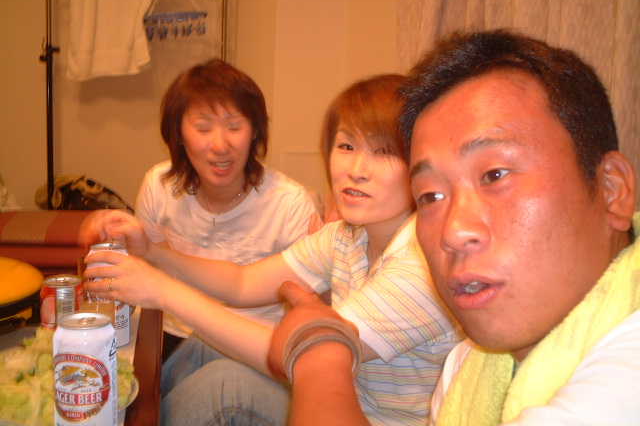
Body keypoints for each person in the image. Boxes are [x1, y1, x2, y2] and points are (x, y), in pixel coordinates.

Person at [266, 29, 639, 425]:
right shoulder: (467, 365)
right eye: (430, 196)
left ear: (612, 189)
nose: (453, 231)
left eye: (494, 175)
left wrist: (319, 349)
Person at [81, 74, 460, 426]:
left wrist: (160, 289)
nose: (357, 169)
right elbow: (243, 282)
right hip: (344, 394)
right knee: (203, 348)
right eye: (346, 146)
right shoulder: (347, 235)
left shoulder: (422, 267)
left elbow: (305, 354)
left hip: (367, 417)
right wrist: (153, 252)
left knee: (225, 386)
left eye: (384, 152)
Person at [123, 58, 320, 359]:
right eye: (203, 128)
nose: (220, 145)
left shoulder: (289, 204)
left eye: (234, 126)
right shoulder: (159, 186)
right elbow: (144, 271)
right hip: (175, 335)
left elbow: (307, 305)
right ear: (179, 134)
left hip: (252, 345)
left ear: (255, 131)